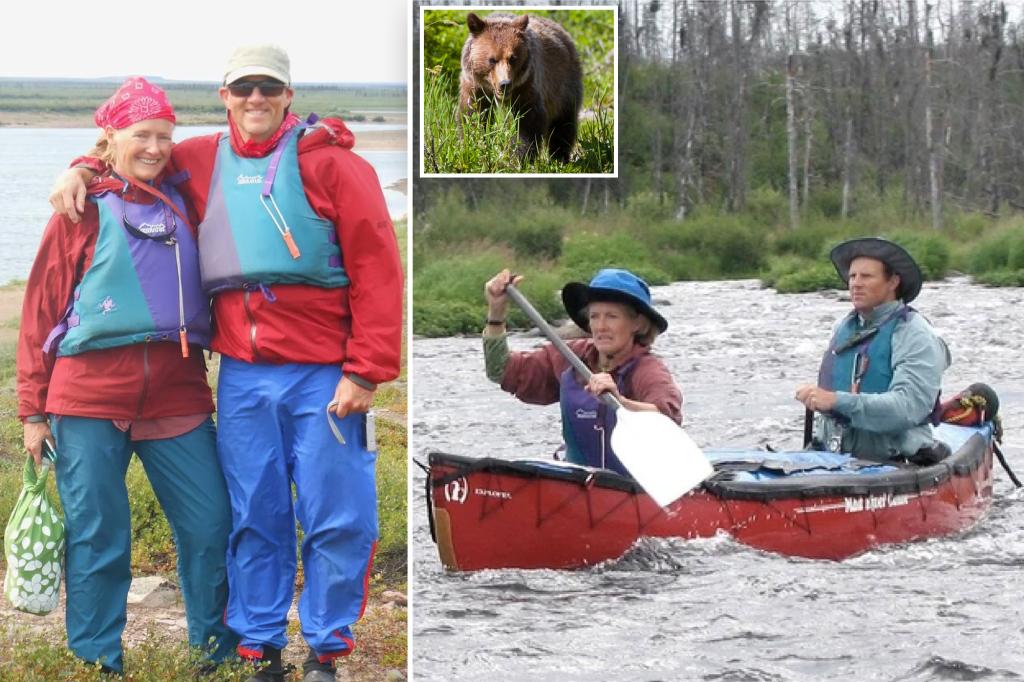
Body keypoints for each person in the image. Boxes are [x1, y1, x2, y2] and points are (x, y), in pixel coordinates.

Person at [50, 46, 403, 682]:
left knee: (336, 511)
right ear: (225, 96)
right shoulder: (202, 158)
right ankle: (260, 644)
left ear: (289, 95)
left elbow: (378, 268)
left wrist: (367, 368)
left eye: (269, 88)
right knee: (255, 512)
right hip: (241, 373)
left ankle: (326, 647)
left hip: (324, 372)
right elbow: (134, 157)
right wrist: (78, 167)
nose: (256, 100)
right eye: (244, 89)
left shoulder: (335, 167)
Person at [16, 77, 236, 675]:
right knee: (98, 538)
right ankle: (95, 664)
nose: (156, 146)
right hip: (86, 398)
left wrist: (83, 164)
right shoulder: (78, 210)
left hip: (177, 394)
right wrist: (33, 411)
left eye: (165, 134)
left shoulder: (187, 196)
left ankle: (215, 658)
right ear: (112, 135)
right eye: (142, 134)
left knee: (211, 525)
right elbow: (40, 309)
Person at [482, 268, 682, 476]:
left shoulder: (648, 370)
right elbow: (500, 370)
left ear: (637, 324)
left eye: (612, 317)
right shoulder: (571, 356)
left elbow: (665, 420)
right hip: (577, 486)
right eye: (595, 316)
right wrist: (496, 312)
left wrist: (621, 401)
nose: (601, 326)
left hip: (632, 490)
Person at [794, 237, 951, 463]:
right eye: (852, 276)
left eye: (866, 276)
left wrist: (835, 401)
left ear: (893, 282)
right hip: (835, 459)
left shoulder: (915, 333)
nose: (856, 283)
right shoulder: (845, 327)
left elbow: (907, 407)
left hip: (895, 463)